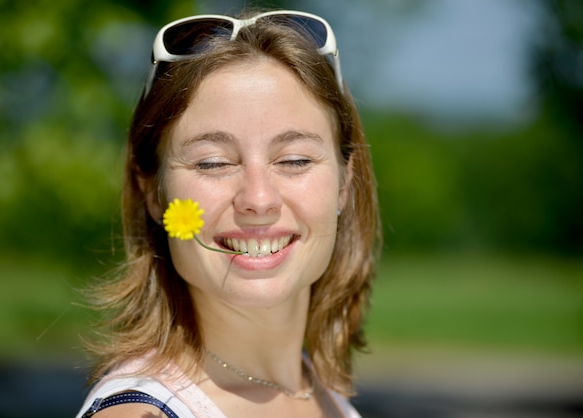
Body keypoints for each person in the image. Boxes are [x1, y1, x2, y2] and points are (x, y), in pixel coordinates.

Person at [76, 8, 381, 418]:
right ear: (152, 192)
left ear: (344, 184)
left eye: (293, 160)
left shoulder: (323, 397)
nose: (258, 198)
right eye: (213, 162)